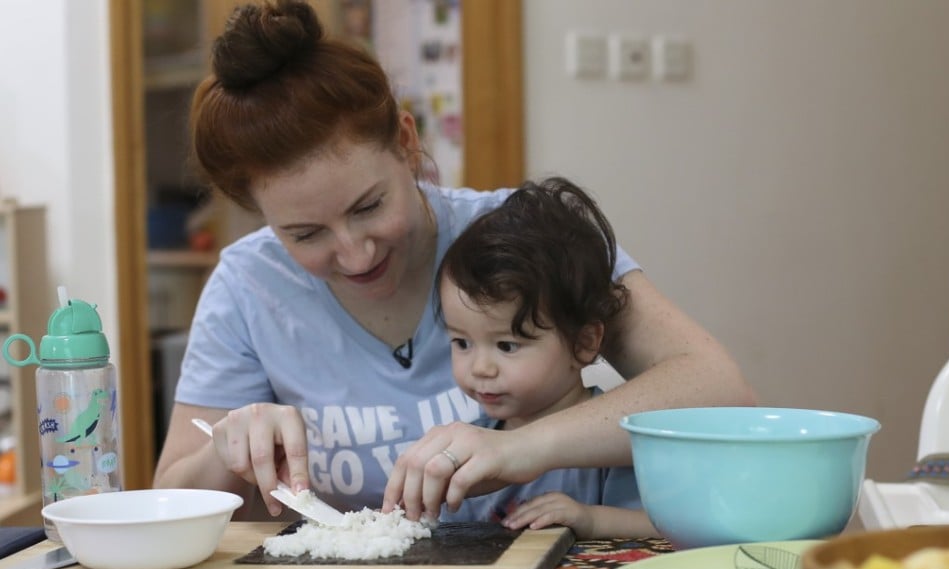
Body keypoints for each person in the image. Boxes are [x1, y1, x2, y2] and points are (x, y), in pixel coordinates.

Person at [152, 0, 755, 522]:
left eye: (369, 206)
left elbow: (720, 392)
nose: (355, 253)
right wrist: (225, 450)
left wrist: (520, 449)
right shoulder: (246, 285)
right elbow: (169, 502)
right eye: (305, 234)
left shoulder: (525, 234)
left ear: (408, 145)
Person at [436, 176, 659, 539]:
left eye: (507, 346)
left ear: (584, 342)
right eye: (461, 343)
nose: (480, 368)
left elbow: (665, 526)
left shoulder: (614, 442)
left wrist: (590, 519)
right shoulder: (475, 444)